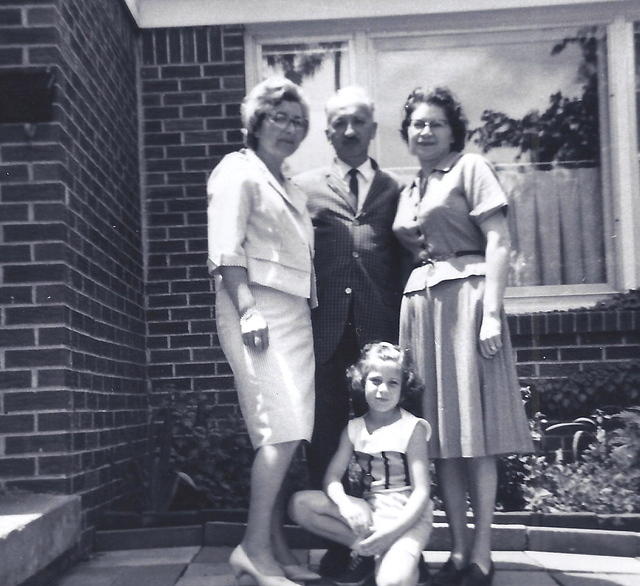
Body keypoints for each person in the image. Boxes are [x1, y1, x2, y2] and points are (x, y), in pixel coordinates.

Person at [392, 87, 534, 586]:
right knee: (443, 437)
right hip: (425, 309)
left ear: (453, 130)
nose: (424, 131)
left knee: (476, 436)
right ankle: (455, 554)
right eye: (416, 124)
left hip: (468, 305)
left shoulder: (470, 168)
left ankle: (481, 555)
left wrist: (492, 312)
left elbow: (498, 239)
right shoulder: (413, 186)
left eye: (435, 123)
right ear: (406, 134)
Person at [206, 77, 320, 586]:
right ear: (256, 121)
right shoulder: (238, 171)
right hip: (255, 310)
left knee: (280, 435)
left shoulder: (290, 186)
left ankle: (275, 547)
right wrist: (248, 308)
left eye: (298, 122)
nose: (290, 129)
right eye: (280, 117)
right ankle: (252, 549)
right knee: (283, 428)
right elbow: (226, 248)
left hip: (293, 313)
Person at [294, 86, 407, 579]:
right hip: (325, 335)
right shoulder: (303, 188)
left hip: (377, 337)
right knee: (327, 440)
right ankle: (341, 543)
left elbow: (404, 263)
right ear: (327, 132)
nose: (349, 130)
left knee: (379, 439)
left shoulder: (395, 189)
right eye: (340, 122)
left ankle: (385, 535)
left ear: (373, 128)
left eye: (359, 121)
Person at [289, 342, 433, 586]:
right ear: (362, 382)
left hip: (407, 516)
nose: (383, 390)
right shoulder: (354, 428)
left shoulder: (413, 428)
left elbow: (422, 492)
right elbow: (332, 478)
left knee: (391, 582)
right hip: (371, 512)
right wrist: (345, 504)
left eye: (393, 383)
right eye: (375, 381)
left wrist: (391, 533)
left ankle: (402, 565)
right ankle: (365, 551)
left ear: (403, 387)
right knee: (298, 504)